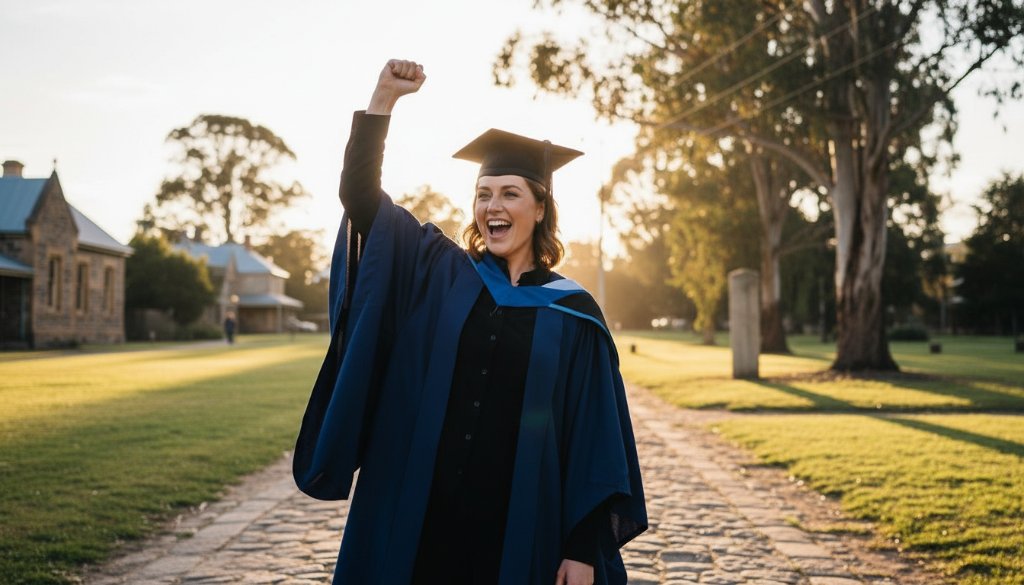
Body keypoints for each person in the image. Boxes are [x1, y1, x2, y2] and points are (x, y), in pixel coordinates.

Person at [293, 59, 646, 585]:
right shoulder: (440, 272)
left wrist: (583, 548)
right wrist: (382, 102)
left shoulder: (574, 313)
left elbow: (593, 439)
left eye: (510, 194)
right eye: (483, 194)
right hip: (421, 514)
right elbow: (363, 203)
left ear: (540, 208)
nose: (492, 206)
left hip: (518, 525)